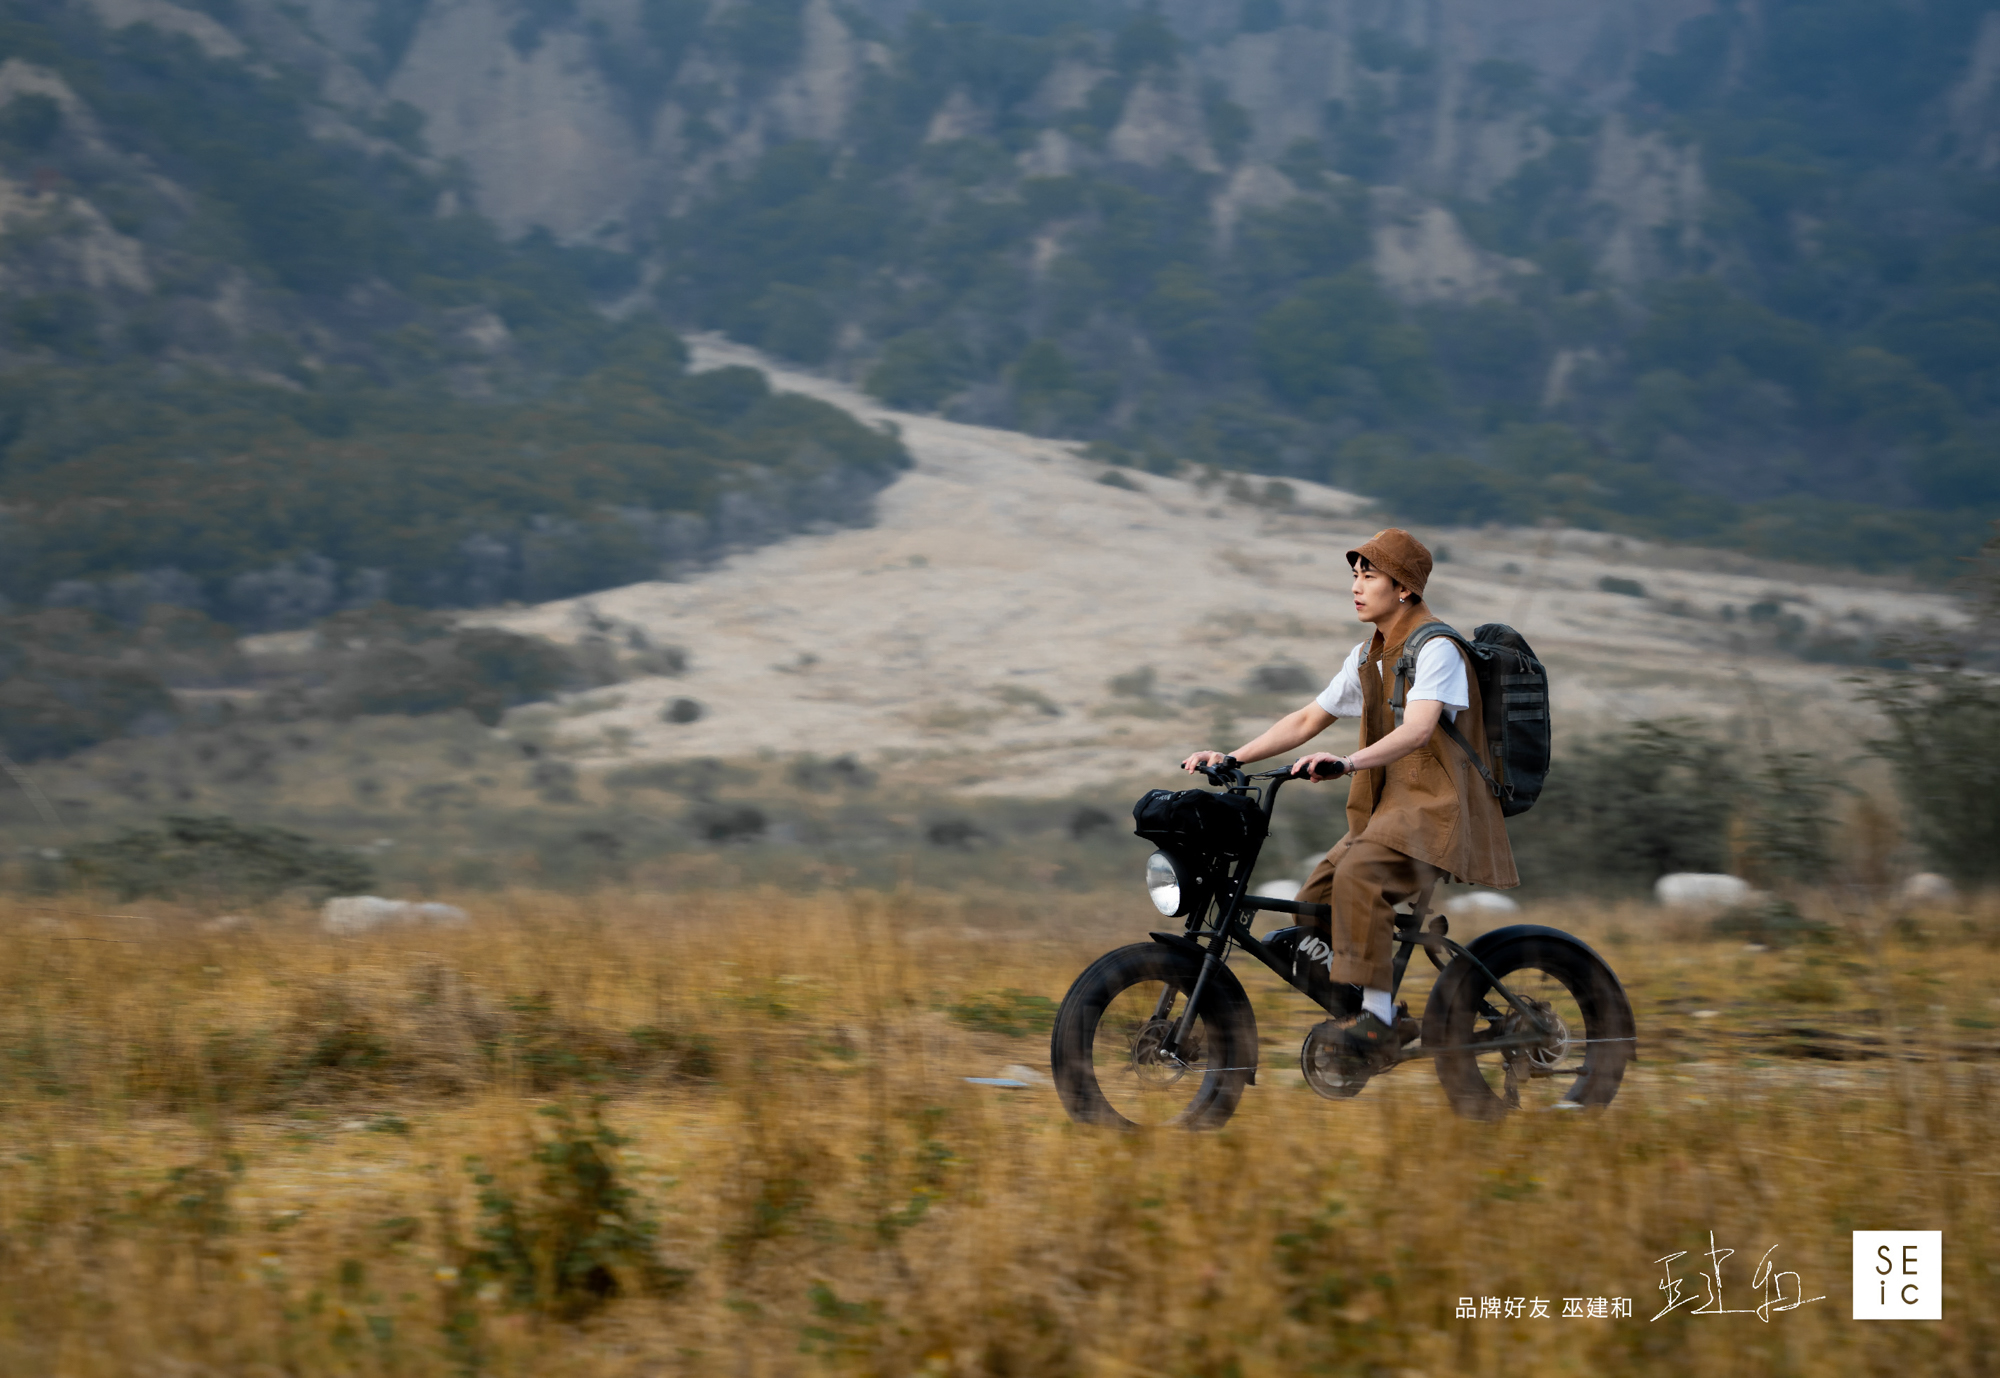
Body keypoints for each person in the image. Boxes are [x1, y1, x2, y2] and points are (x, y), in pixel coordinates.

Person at [1180, 527, 1518, 1074]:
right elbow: (1307, 719)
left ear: (1404, 588)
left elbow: (1418, 729)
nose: (1356, 588)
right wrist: (1232, 758)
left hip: (1440, 811)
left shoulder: (1436, 648)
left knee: (1360, 875)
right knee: (1313, 904)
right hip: (1393, 814)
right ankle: (1372, 1017)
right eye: (1354, 577)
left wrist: (1347, 762)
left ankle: (1377, 1019)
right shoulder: (1369, 656)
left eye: (1369, 577)